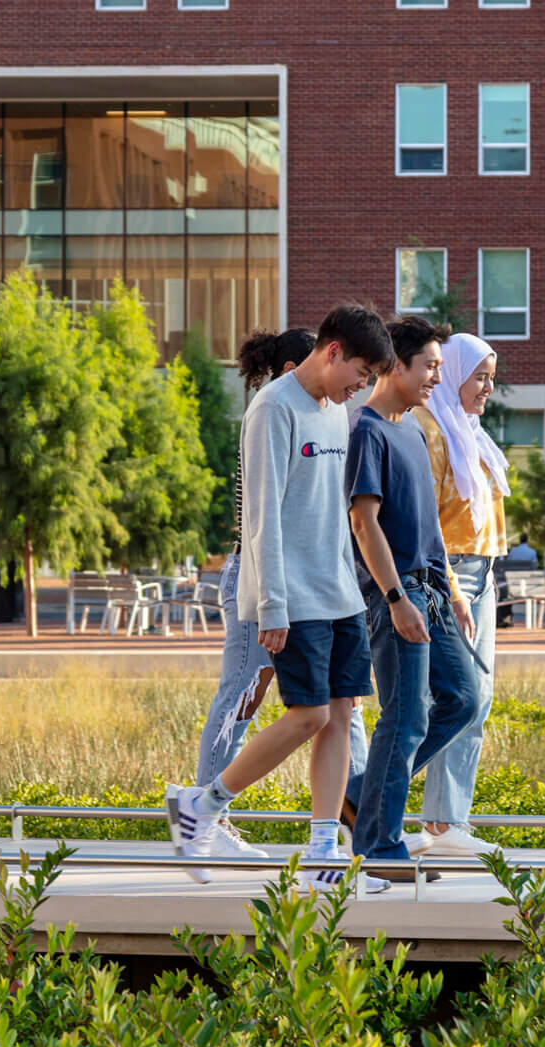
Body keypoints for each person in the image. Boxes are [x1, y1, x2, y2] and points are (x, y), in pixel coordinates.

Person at [166, 304, 393, 895]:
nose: (362, 385)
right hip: (293, 595)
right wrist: (270, 606)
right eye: (361, 371)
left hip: (339, 593)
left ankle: (323, 855)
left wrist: (358, 591)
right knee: (310, 714)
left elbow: (334, 515)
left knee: (342, 716)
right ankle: (204, 804)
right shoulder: (272, 409)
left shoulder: (338, 412)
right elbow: (260, 516)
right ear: (332, 350)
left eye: (370, 379)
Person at [346, 317, 486, 881]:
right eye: (428, 364)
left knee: (462, 700)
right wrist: (396, 597)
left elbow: (426, 526)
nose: (436, 375)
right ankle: (379, 848)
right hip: (397, 596)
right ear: (394, 365)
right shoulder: (369, 431)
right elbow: (363, 521)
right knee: (403, 720)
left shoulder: (411, 430)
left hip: (433, 591)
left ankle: (361, 796)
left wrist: (451, 592)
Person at [406, 331, 509, 859]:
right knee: (451, 700)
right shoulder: (430, 428)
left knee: (479, 701)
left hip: (485, 574)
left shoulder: (470, 432)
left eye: (492, 377)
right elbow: (426, 520)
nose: (488, 387)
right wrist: (449, 583)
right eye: (480, 377)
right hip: (453, 575)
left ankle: (448, 822)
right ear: (455, 376)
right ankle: (379, 801)